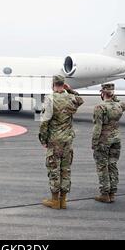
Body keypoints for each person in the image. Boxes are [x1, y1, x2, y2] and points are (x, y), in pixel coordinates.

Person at [39, 75, 84, 210]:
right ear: (64, 85)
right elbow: (80, 100)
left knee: (54, 168)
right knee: (65, 169)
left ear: (53, 84)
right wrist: (70, 91)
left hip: (55, 140)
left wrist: (43, 139)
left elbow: (45, 121)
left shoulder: (50, 98)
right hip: (67, 140)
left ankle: (54, 201)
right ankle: (63, 200)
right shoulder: (71, 98)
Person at [92, 83, 125, 203]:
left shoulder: (100, 107)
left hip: (103, 140)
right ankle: (112, 192)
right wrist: (113, 96)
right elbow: (124, 105)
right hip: (116, 139)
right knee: (112, 165)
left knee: (102, 166)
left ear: (102, 93)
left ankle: (105, 193)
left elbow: (98, 127)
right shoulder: (119, 106)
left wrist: (94, 142)